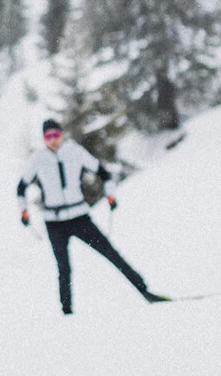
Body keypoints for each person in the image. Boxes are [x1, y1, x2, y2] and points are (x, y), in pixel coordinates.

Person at [16, 118, 167, 315]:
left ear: (62, 135)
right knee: (64, 268)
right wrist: (24, 211)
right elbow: (21, 188)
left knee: (110, 253)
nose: (53, 139)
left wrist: (110, 194)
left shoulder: (74, 151)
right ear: (44, 139)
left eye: (56, 134)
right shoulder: (38, 159)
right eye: (48, 136)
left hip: (79, 218)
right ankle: (67, 312)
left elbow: (102, 173)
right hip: (55, 223)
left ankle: (144, 291)